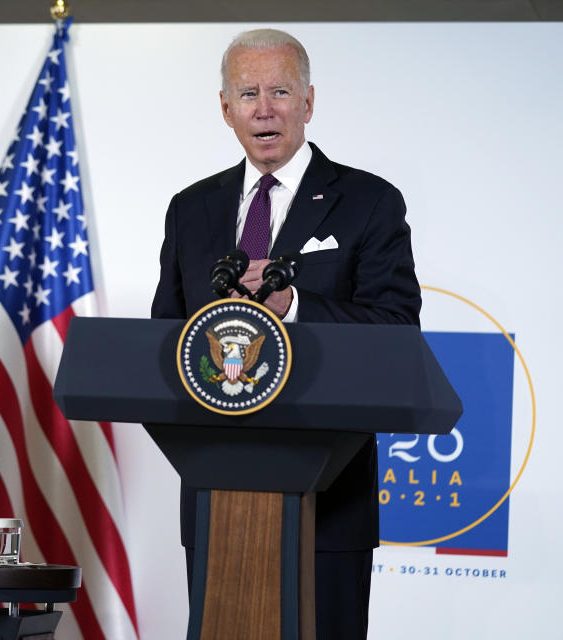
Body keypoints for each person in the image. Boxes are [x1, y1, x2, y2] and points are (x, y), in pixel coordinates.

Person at [150, 29, 421, 639]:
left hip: (327, 499)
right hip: (216, 493)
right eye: (248, 94)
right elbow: (164, 338)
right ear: (226, 109)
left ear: (309, 101)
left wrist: (295, 303)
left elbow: (397, 329)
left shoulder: (368, 202)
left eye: (279, 91)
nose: (264, 108)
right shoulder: (189, 209)